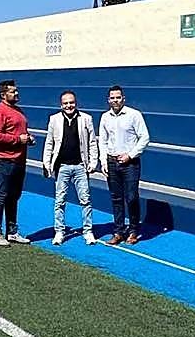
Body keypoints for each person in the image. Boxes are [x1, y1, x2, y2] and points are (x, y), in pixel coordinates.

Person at [42, 91, 98, 246]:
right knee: (60, 201)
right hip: (62, 167)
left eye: (71, 102)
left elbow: (92, 142)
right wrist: (47, 163)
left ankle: (88, 231)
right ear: (61, 105)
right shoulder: (54, 119)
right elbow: (49, 143)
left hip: (81, 166)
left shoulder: (86, 118)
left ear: (76, 103)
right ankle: (59, 231)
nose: (69, 106)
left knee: (85, 200)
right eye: (65, 103)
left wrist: (93, 162)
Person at [98, 85, 149, 245]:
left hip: (130, 163)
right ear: (108, 100)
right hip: (112, 162)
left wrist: (130, 155)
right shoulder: (105, 117)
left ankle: (133, 230)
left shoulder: (134, 115)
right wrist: (103, 161)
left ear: (123, 99)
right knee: (116, 198)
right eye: (112, 98)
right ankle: (118, 231)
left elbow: (144, 138)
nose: (115, 100)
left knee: (132, 197)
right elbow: (103, 140)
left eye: (118, 97)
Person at [0, 79, 33, 247]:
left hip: (19, 159)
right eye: (13, 91)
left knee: (14, 196)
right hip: (4, 160)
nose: (17, 93)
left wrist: (28, 138)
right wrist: (18, 139)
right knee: (1, 196)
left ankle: (12, 232)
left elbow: (20, 132)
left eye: (16, 90)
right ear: (3, 95)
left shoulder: (18, 110)